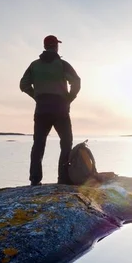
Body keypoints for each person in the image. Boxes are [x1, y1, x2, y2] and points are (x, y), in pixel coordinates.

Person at [20, 35, 81, 185]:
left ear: (45, 46)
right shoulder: (62, 64)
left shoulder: (34, 65)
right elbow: (77, 81)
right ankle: (63, 179)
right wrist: (69, 98)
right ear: (56, 47)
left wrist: (36, 96)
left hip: (42, 109)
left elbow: (23, 84)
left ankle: (35, 179)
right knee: (66, 142)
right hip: (60, 109)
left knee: (39, 144)